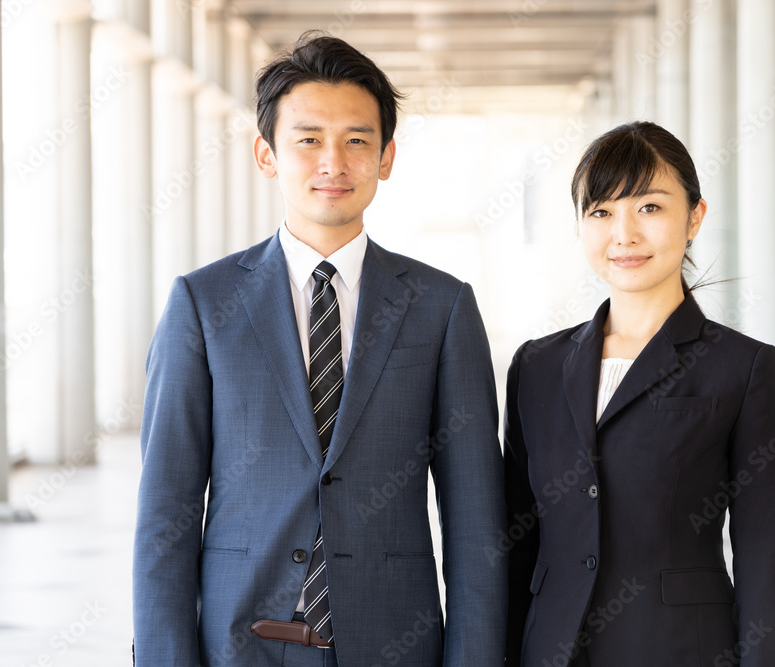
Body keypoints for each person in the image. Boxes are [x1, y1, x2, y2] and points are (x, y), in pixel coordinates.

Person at [133, 32, 506, 667]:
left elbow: (475, 521)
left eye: (357, 141)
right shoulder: (203, 304)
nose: (333, 162)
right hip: (240, 644)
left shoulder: (442, 308)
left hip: (395, 643)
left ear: (386, 157)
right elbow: (166, 512)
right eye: (308, 140)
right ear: (266, 154)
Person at [503, 121, 775, 666]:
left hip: (679, 649)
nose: (624, 234)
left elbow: (765, 561)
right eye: (602, 212)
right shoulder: (536, 366)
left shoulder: (746, 369)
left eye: (650, 208)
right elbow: (518, 543)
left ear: (695, 217)